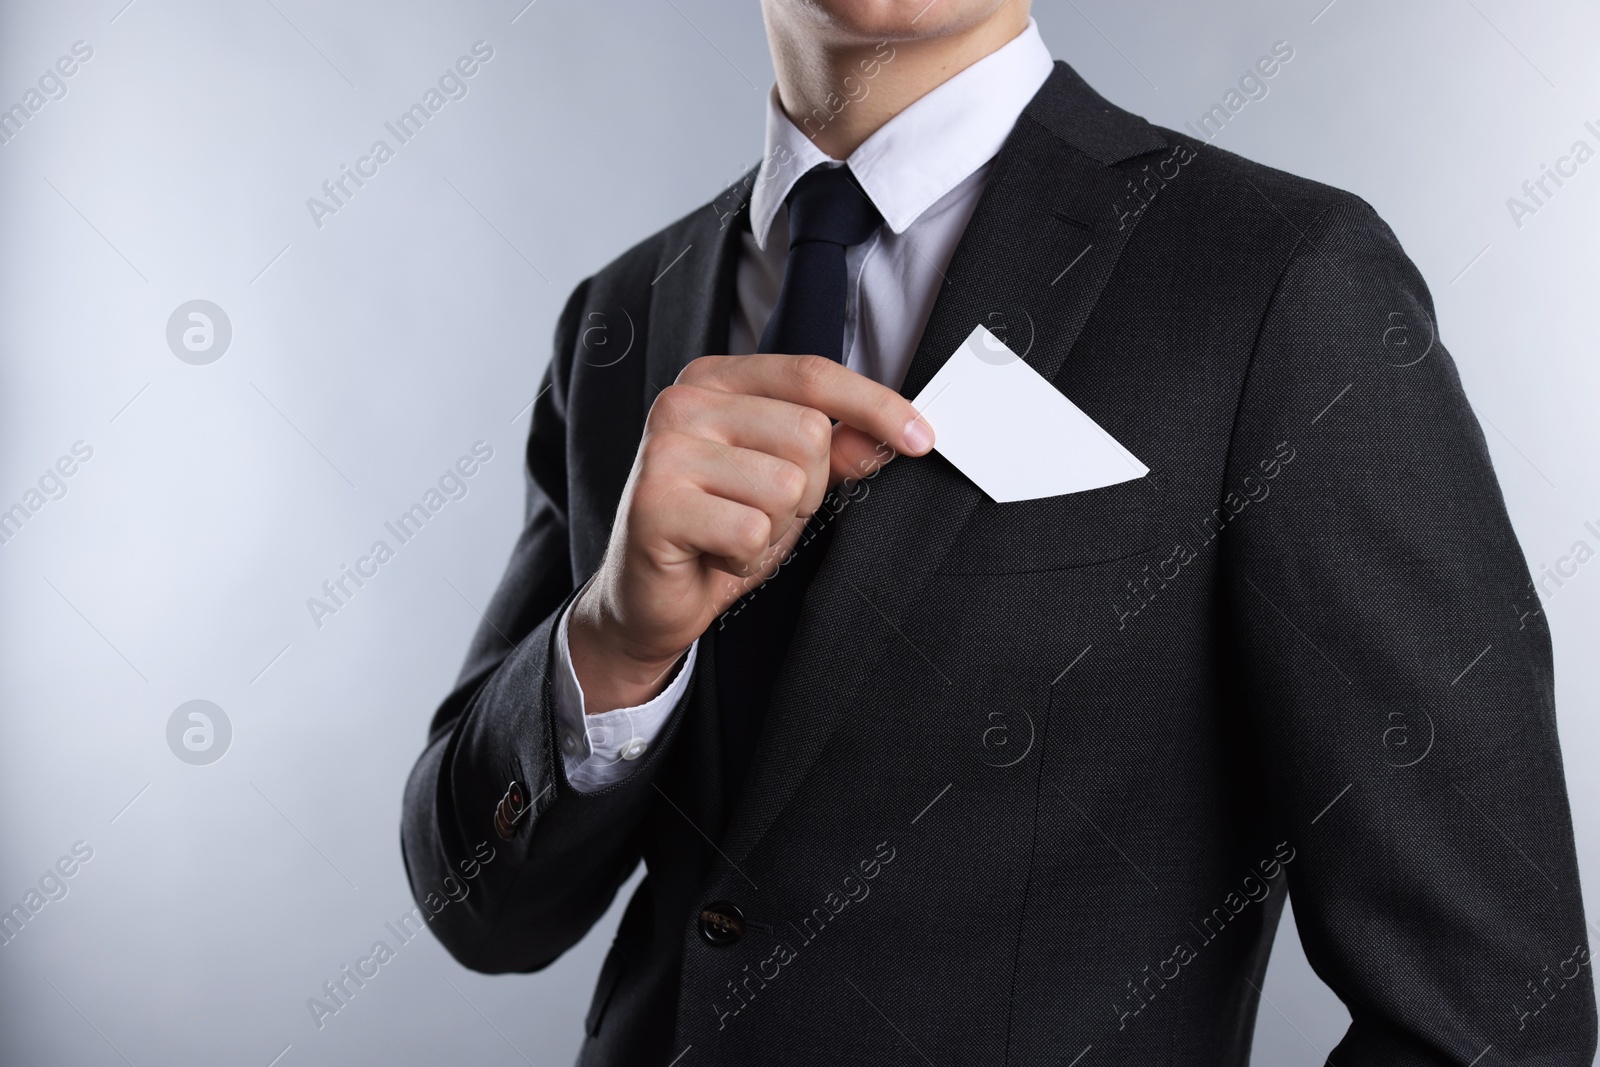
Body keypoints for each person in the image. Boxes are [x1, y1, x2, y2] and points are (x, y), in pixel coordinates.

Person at [401, 1, 1596, 1063]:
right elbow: (483, 910)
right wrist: (611, 647)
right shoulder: (621, 314)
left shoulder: (1277, 278)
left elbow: (1491, 1008)